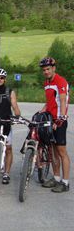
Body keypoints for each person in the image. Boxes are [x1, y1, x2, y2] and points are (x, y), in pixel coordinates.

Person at [38, 57, 70, 192]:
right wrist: (40, 111)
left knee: (62, 152)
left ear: (54, 68)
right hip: (50, 120)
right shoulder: (46, 83)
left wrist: (59, 120)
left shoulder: (60, 81)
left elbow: (62, 102)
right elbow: (50, 102)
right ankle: (56, 178)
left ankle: (65, 182)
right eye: (44, 70)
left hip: (59, 121)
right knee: (53, 151)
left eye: (48, 69)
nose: (46, 71)